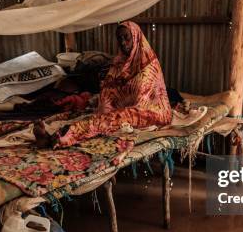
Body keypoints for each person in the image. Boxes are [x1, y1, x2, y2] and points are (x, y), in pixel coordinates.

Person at [38, 21, 171, 148]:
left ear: (136, 38)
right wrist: (106, 106)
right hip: (128, 109)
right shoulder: (120, 62)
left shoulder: (149, 65)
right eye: (120, 39)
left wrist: (114, 108)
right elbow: (108, 90)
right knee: (101, 119)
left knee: (109, 120)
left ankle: (62, 137)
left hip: (150, 113)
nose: (123, 43)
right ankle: (56, 136)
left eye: (127, 38)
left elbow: (140, 99)